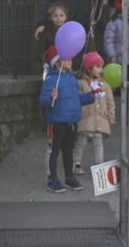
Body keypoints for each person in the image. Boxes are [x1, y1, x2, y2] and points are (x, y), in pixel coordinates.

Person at [38, 47, 94, 193]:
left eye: (70, 59)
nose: (69, 61)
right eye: (66, 59)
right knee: (53, 151)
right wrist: (51, 97)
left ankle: (69, 177)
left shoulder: (73, 80)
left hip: (71, 121)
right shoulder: (51, 80)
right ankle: (52, 179)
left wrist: (91, 96)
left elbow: (77, 99)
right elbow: (43, 100)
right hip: (56, 122)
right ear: (57, 63)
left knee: (69, 151)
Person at [77, 52, 115, 174]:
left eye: (101, 66)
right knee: (81, 141)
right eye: (97, 66)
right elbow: (78, 99)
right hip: (86, 117)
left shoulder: (105, 85)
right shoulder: (81, 83)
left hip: (100, 118)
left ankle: (100, 164)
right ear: (89, 68)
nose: (101, 69)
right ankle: (76, 163)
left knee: (98, 142)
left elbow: (110, 102)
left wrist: (111, 115)